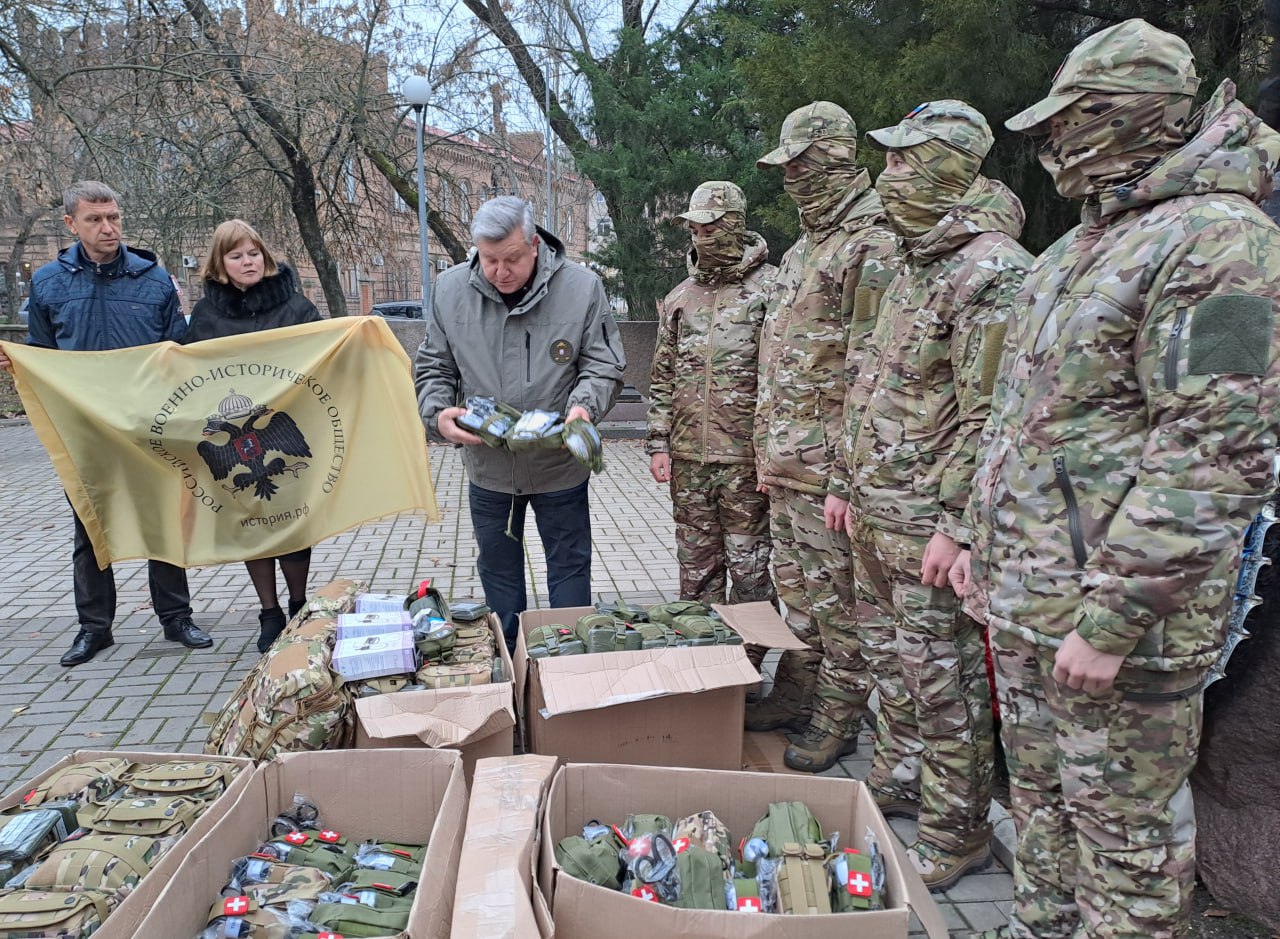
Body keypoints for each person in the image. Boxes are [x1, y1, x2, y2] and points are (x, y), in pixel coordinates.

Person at [946, 19, 1280, 939]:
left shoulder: (1222, 243)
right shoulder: (1082, 246)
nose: (1054, 141)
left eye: (1070, 119)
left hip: (1119, 630)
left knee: (1124, 843)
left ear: (1128, 115)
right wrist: (977, 541)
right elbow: (1017, 420)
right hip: (1031, 605)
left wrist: (1115, 616)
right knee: (1043, 811)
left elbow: (1214, 449)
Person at [844, 100, 1032, 890]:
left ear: (945, 168)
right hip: (880, 511)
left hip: (929, 525)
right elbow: (873, 383)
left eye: (901, 160)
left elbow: (992, 419)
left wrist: (957, 526)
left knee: (944, 684)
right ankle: (903, 779)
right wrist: (847, 485)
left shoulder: (991, 273)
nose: (885, 175)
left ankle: (959, 833)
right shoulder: (913, 261)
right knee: (897, 666)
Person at [0, 180, 211, 666]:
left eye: (113, 217)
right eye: (95, 219)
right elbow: (43, 352)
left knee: (162, 519)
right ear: (71, 224)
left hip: (146, 424)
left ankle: (176, 618)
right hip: (84, 428)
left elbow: (177, 352)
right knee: (90, 527)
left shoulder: (153, 280)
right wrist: (21, 363)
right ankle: (94, 628)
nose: (108, 227)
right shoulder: (48, 282)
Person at [750, 102, 899, 772]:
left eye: (800, 165)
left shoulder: (874, 243)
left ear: (835, 158)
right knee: (800, 596)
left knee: (840, 605)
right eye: (786, 169)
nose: (791, 180)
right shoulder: (805, 249)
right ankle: (796, 693)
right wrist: (765, 453)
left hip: (830, 474)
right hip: (789, 466)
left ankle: (837, 715)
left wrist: (845, 477)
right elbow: (779, 362)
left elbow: (873, 373)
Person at [415, 196, 625, 649]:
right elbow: (434, 366)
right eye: (489, 259)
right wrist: (438, 414)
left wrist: (583, 409)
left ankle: (568, 661)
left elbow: (602, 365)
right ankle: (511, 660)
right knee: (497, 571)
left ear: (534, 245)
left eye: (511, 258)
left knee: (569, 568)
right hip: (489, 469)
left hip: (558, 466)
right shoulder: (450, 289)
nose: (500, 272)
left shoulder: (581, 287)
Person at [183, 219, 322, 652]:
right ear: (220, 264)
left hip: (285, 427)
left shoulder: (295, 306)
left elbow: (324, 355)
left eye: (253, 253)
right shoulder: (207, 316)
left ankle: (298, 604)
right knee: (252, 522)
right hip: (235, 442)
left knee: (293, 520)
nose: (248, 262)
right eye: (236, 255)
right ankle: (269, 611)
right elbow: (190, 371)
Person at [645, 181, 776, 606]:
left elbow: (782, 378)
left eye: (711, 228)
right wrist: (659, 444)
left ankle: (755, 644)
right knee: (696, 572)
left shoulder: (771, 290)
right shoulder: (681, 298)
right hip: (689, 462)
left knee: (750, 571)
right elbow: (663, 376)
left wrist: (771, 455)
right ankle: (705, 643)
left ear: (735, 225)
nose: (701, 238)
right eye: (695, 230)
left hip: (745, 463)